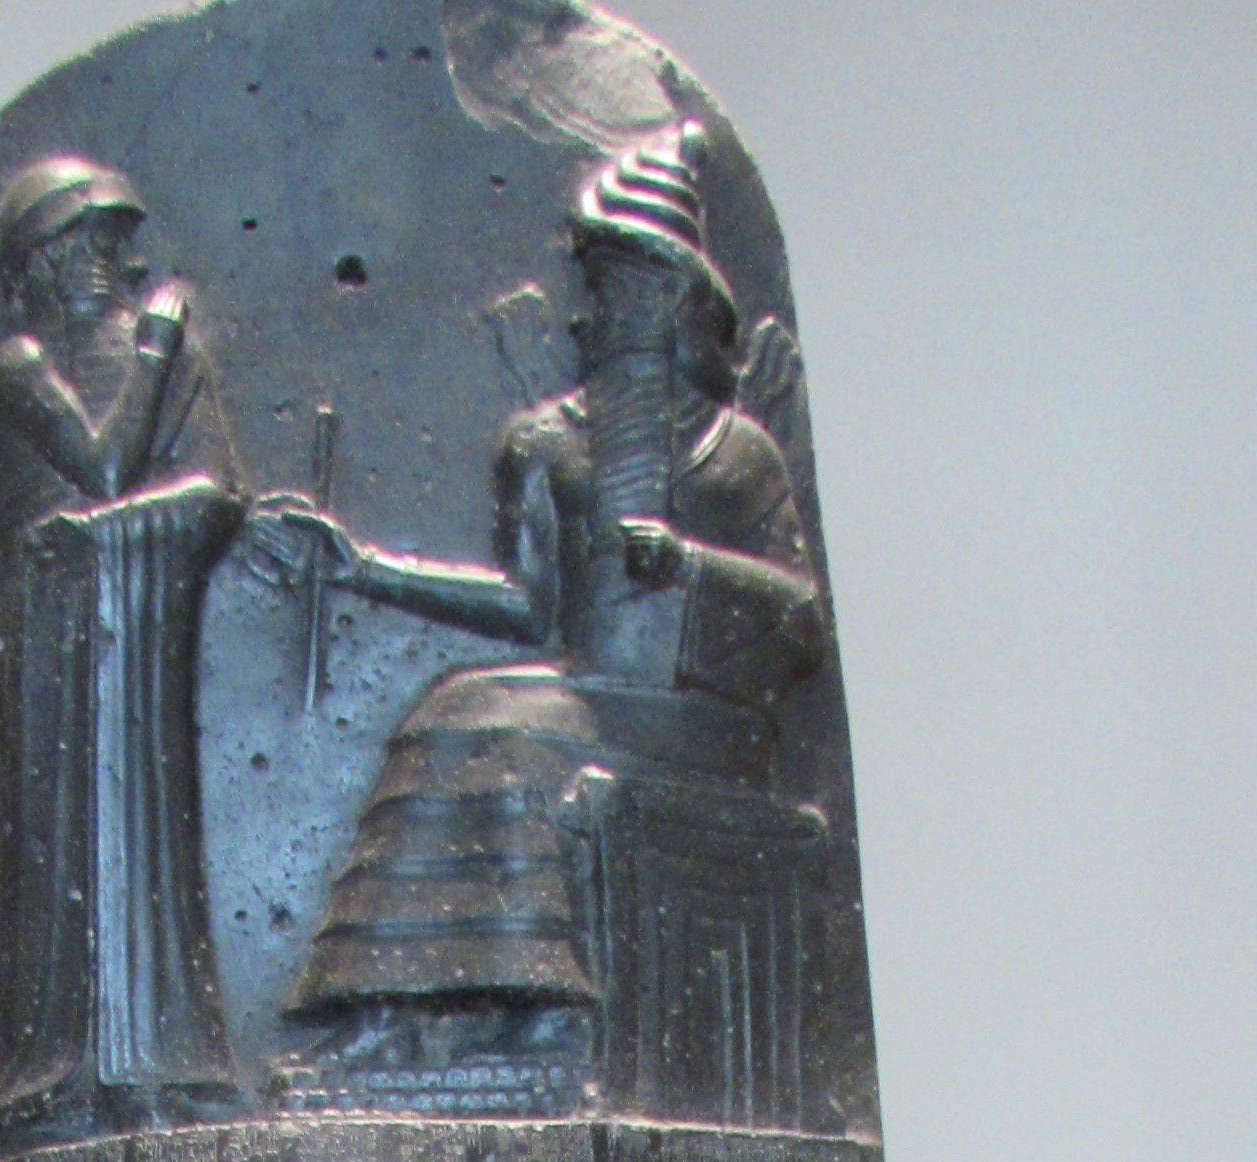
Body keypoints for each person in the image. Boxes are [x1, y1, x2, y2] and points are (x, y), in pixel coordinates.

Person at [256, 122, 829, 1107]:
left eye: (627, 285)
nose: (599, 308)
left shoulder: (737, 455)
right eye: (600, 285)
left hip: (697, 721)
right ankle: (397, 1011)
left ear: (679, 302)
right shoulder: (549, 441)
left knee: (504, 732)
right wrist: (368, 571)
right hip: (586, 687)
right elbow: (530, 609)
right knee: (444, 713)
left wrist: (691, 567)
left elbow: (803, 626)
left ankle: (549, 1000)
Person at [0, 157, 246, 1137]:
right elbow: (102, 461)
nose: (110, 262)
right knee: (64, 852)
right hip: (57, 634)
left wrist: (110, 533)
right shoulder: (17, 368)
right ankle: (58, 1073)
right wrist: (157, 350)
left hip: (140, 623)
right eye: (82, 244)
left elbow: (216, 493)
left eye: (110, 242)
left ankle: (164, 1060)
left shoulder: (170, 354)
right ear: (42, 263)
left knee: (147, 838)